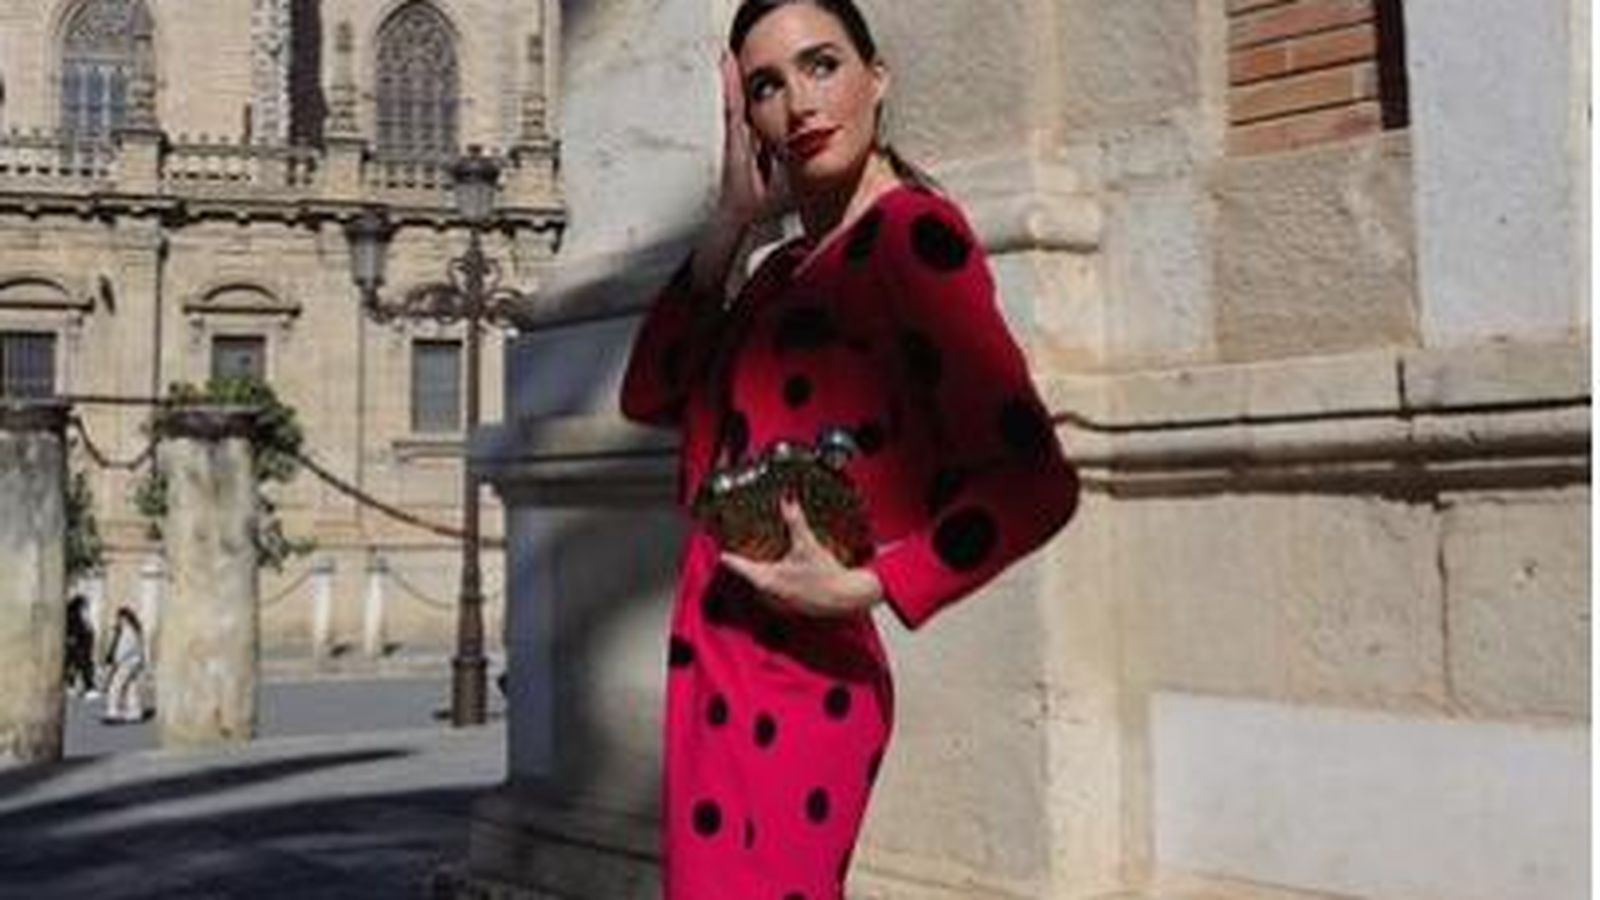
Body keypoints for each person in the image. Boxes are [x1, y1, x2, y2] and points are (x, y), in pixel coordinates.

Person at [619, 1, 1080, 896]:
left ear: (878, 78)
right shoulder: (778, 271)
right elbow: (648, 395)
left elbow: (1035, 482)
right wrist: (729, 223)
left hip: (801, 676)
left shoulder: (912, 237)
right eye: (766, 86)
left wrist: (870, 584)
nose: (799, 103)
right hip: (712, 662)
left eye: (821, 66)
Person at [101, 607, 148, 724]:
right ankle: (134, 712)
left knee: (115, 687)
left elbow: (122, 650)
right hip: (134, 663)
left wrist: (115, 662)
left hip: (127, 663)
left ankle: (113, 712)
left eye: (119, 618)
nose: (117, 621)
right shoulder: (134, 630)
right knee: (131, 688)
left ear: (124, 618)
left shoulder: (127, 632)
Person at [63, 594, 98, 698]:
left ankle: (76, 685)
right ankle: (84, 686)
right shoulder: (74, 616)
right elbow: (76, 631)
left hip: (81, 646)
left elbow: (87, 631)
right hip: (79, 646)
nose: (86, 609)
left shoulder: (78, 616)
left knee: (78, 665)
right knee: (79, 665)